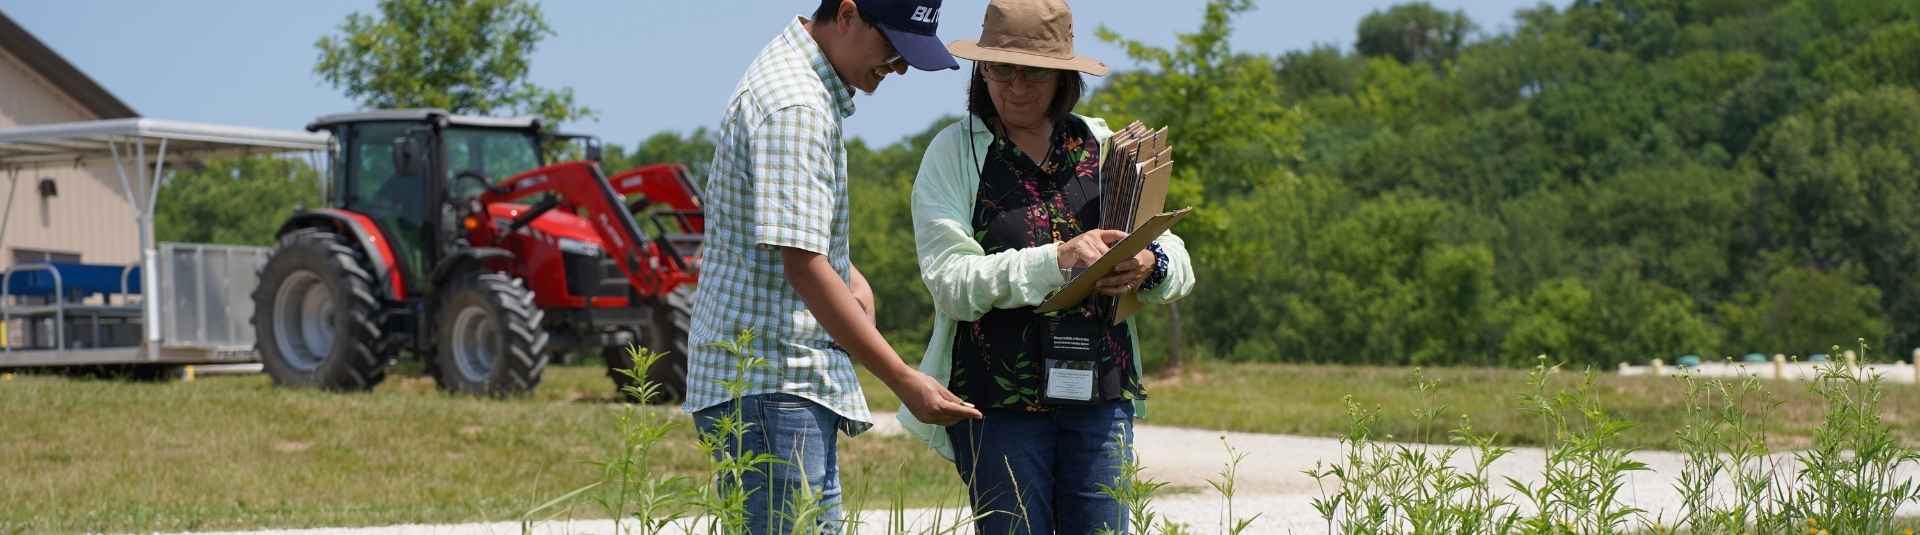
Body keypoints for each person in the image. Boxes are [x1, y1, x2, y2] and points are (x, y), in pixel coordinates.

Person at [896, 0, 1198, 532]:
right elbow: (951, 282)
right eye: (1000, 69)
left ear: (1062, 76)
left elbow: (1177, 256)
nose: (1015, 86)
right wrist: (1057, 260)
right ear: (980, 70)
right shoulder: (956, 154)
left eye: (1033, 71)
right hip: (997, 405)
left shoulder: (1103, 146)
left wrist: (1150, 265)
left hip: (1100, 397)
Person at [683, 1, 982, 533]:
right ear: (846, 14)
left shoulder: (797, 84)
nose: (900, 67)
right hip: (772, 381)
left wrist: (847, 272)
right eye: (893, 46)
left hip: (772, 386)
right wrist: (904, 380)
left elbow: (788, 238)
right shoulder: (795, 106)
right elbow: (803, 267)